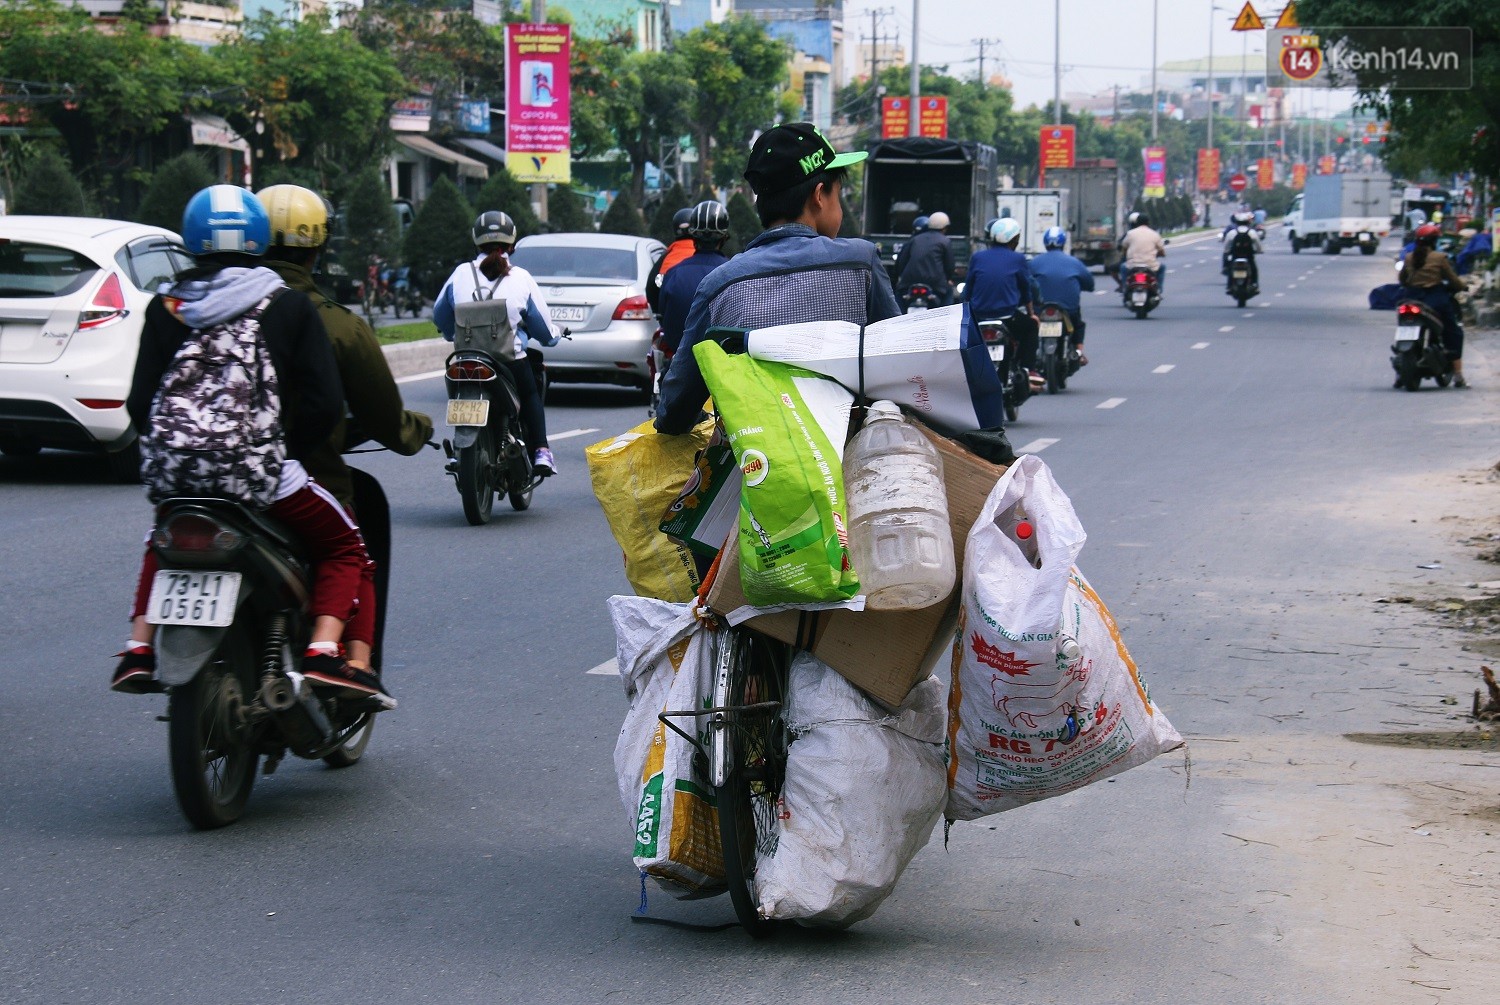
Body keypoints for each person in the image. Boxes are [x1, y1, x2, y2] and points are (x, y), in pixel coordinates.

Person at [113, 185, 390, 704]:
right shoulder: (285, 306)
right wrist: (282, 453)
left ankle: (138, 646)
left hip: (178, 475)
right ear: (258, 238)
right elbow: (323, 406)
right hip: (263, 474)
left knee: (165, 535)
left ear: (191, 239)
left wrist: (177, 455)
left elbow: (140, 404)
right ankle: (327, 654)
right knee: (346, 546)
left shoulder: (167, 308)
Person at [654, 121, 1010, 461]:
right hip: (850, 463)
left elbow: (674, 410)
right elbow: (902, 365)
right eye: (839, 194)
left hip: (754, 472)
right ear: (820, 196)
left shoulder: (719, 283)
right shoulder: (860, 262)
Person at [257, 184, 434, 672]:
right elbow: (384, 419)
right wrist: (415, 431)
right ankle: (351, 659)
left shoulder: (200, 309)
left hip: (198, 472)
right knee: (353, 539)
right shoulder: (334, 323)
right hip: (296, 474)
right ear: (318, 248)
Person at [433, 210, 563, 473]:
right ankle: (541, 451)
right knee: (529, 394)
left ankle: (460, 452)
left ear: (476, 240)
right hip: (509, 360)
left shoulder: (460, 274)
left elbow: (440, 314)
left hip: (467, 358)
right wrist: (555, 335)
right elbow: (544, 331)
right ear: (512, 243)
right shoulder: (521, 277)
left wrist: (451, 334)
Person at [964, 217, 1041, 387]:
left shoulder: (978, 257)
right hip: (1007, 316)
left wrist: (965, 314)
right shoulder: (1017, 259)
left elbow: (968, 289)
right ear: (1014, 240)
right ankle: (1028, 369)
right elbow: (1026, 289)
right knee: (1030, 328)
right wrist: (1032, 314)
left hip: (979, 317)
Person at [657, 200, 731, 360]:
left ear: (693, 235)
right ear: (724, 237)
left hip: (678, 362)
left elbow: (663, 312)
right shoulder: (735, 273)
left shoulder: (673, 273)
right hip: (721, 363)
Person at [1399, 222, 1469, 387]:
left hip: (1411, 298)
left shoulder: (1409, 257)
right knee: (1454, 332)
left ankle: (1399, 371)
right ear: (1434, 241)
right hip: (1434, 300)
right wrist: (1462, 286)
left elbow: (1403, 279)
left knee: (1403, 323)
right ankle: (1458, 375)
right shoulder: (1440, 258)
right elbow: (1453, 280)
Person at [1028, 226, 1095, 365]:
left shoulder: (1034, 262)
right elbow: (1089, 284)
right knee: (1078, 325)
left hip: (1040, 309)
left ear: (1045, 243)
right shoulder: (1074, 262)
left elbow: (1024, 282)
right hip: (1068, 309)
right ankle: (1079, 352)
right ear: (1063, 244)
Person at [894, 209, 956, 306]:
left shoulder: (914, 239)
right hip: (936, 284)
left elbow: (901, 262)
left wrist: (902, 278)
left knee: (898, 300)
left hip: (909, 282)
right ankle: (946, 320)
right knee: (949, 293)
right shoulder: (945, 241)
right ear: (944, 228)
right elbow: (949, 266)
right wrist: (948, 279)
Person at [645, 208, 696, 315]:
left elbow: (651, 287)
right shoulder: (703, 253)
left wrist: (659, 313)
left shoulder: (666, 257)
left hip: (672, 316)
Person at [1119, 212, 1166, 293]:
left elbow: (1124, 247)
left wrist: (1124, 254)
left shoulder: (1130, 233)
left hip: (1132, 265)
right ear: (1148, 223)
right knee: (1162, 267)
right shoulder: (1154, 234)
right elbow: (1162, 251)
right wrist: (1159, 254)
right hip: (1150, 265)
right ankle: (1159, 288)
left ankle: (1124, 288)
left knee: (1123, 267)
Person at [1220, 210, 1264, 291]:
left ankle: (1229, 285)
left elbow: (1226, 247)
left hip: (1235, 256)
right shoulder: (1252, 232)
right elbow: (1258, 245)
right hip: (1248, 256)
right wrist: (1259, 251)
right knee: (1254, 268)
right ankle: (1254, 283)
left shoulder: (1232, 233)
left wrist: (1227, 252)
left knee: (1230, 269)